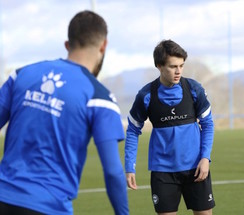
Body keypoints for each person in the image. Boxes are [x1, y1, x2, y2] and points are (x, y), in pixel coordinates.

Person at [0, 10, 129, 215]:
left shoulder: (21, 75)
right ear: (103, 45)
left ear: (68, 44)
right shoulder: (100, 97)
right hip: (48, 207)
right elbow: (113, 171)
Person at [125, 39, 215, 215]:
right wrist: (130, 166)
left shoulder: (194, 89)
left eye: (181, 65)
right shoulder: (146, 95)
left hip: (196, 168)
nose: (178, 71)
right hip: (163, 172)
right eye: (173, 66)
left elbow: (208, 124)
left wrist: (205, 158)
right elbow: (133, 130)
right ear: (159, 66)